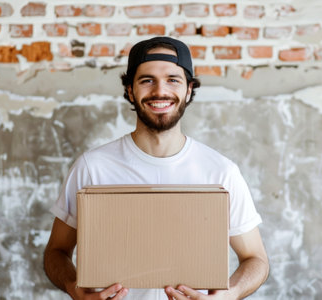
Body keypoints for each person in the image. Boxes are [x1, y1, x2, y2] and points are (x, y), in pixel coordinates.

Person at [44, 36, 269, 300]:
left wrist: (230, 294)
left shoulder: (221, 172)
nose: (160, 91)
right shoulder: (92, 168)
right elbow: (56, 252)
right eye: (147, 80)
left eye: (173, 79)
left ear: (188, 89)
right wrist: (74, 288)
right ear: (130, 90)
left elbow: (256, 259)